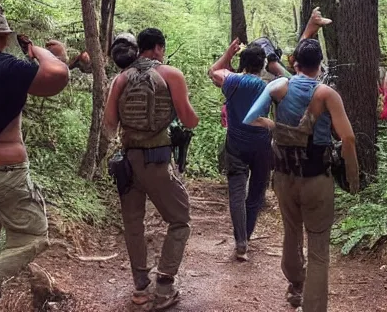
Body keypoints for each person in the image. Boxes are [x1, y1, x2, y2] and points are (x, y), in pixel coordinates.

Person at [243, 38, 359, 312]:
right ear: (319, 66)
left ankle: (295, 285)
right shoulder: (327, 94)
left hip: (284, 177)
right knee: (318, 248)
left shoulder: (278, 87)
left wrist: (276, 126)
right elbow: (349, 138)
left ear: (295, 63)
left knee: (291, 232)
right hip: (317, 179)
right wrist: (353, 177)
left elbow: (250, 118)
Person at [0, 4, 70, 312]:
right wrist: (39, 50)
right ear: (1, 36)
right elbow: (56, 76)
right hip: (8, 172)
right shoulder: (8, 67)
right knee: (34, 236)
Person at [103, 28, 198, 310]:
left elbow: (109, 122)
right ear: (158, 48)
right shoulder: (170, 74)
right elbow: (189, 120)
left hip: (128, 163)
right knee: (180, 219)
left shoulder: (120, 79)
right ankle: (165, 285)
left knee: (133, 224)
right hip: (157, 162)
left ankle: (140, 288)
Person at [209, 40, 285, 261]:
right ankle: (247, 237)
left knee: (237, 193)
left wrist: (228, 52)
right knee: (256, 194)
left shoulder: (232, 82)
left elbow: (213, 71)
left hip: (236, 145)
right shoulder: (270, 85)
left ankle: (241, 241)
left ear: (241, 64)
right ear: (262, 64)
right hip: (262, 146)